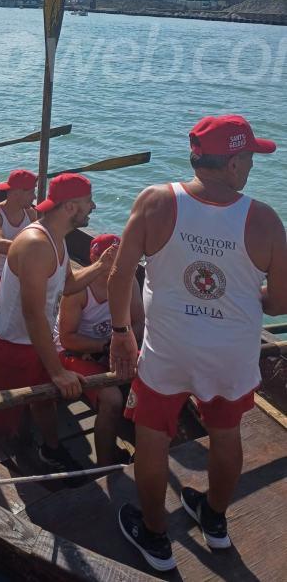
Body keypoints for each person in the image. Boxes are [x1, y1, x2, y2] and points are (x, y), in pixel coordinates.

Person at [108, 114, 286, 573]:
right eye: (247, 157)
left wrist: (122, 333)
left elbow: (119, 272)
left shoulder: (155, 201)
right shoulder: (265, 220)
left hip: (167, 349)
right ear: (231, 164)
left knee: (152, 438)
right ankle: (215, 519)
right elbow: (280, 302)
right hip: (230, 354)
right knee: (226, 436)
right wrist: (244, 293)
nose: (250, 166)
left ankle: (154, 536)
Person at [0, 173, 110, 469]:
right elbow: (32, 313)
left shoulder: (56, 239)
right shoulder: (37, 244)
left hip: (35, 341)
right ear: (71, 207)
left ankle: (50, 448)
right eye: (89, 202)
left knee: (43, 400)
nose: (93, 207)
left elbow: (69, 284)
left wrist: (101, 266)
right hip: (11, 345)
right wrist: (58, 371)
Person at [55, 234, 144, 466]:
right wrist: (105, 346)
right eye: (107, 258)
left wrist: (122, 347)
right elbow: (67, 339)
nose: (114, 263)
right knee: (112, 399)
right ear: (94, 257)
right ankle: (105, 465)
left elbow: (138, 321)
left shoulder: (129, 280)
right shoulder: (79, 289)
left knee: (152, 379)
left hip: (112, 347)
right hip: (75, 352)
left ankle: (147, 448)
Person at [0, 169, 37, 306]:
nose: (34, 197)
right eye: (31, 192)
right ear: (17, 193)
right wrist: (35, 250)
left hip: (23, 273)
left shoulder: (31, 213)